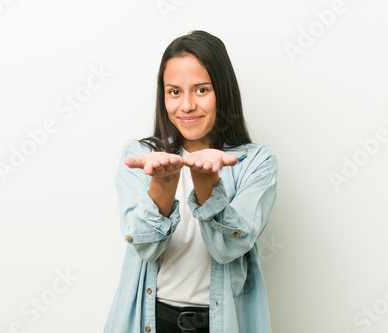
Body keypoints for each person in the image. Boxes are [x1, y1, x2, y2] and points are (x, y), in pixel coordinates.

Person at [103, 30, 278, 333]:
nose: (186, 106)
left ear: (222, 91)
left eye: (201, 90)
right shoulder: (141, 157)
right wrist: (163, 184)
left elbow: (227, 247)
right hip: (152, 321)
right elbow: (145, 248)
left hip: (220, 323)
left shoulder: (256, 162)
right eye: (174, 92)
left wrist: (206, 180)